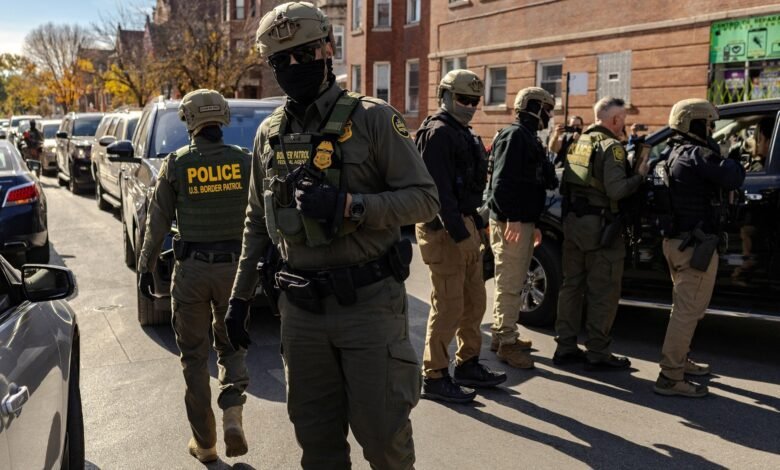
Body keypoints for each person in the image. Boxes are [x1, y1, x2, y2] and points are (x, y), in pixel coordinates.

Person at [225, 2, 440, 468]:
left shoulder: (373, 119)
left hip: (368, 306)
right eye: (281, 61)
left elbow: (425, 199)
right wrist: (239, 298)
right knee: (317, 445)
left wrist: (350, 206)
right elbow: (256, 222)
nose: (294, 67)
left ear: (328, 47)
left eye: (304, 54)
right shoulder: (268, 134)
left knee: (384, 441)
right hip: (300, 313)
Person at [137, 89, 251, 463]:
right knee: (231, 344)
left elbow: (155, 226)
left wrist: (145, 268)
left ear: (188, 121)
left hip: (192, 272)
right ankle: (233, 412)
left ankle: (205, 443)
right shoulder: (244, 162)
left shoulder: (177, 164)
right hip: (235, 270)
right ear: (223, 118)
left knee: (193, 358)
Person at [415, 69, 506, 404]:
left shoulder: (461, 131)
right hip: (444, 229)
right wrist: (458, 233)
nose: (469, 105)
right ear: (446, 96)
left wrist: (477, 227)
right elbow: (438, 193)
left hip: (466, 223)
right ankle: (435, 375)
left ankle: (467, 363)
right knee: (449, 304)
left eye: (474, 100)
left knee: (474, 302)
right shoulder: (438, 132)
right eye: (463, 99)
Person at [654, 99, 745, 397]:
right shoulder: (697, 155)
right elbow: (733, 176)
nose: (710, 129)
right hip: (695, 247)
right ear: (694, 123)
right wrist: (733, 156)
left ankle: (682, 360)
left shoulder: (671, 154)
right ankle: (670, 376)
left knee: (684, 308)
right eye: (707, 124)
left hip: (676, 243)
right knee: (687, 312)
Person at [553, 97, 649, 370]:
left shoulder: (578, 142)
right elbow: (617, 190)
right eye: (623, 120)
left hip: (573, 224)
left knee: (571, 286)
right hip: (600, 229)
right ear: (615, 120)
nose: (624, 125)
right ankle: (598, 352)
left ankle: (565, 347)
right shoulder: (612, 148)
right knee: (602, 292)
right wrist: (640, 174)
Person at [486, 87, 558, 370]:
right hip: (511, 222)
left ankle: (500, 335)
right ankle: (506, 342)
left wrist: (533, 222)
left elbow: (532, 182)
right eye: (547, 109)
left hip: (522, 221)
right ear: (534, 107)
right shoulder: (515, 136)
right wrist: (514, 218)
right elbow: (502, 184)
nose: (549, 115)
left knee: (512, 281)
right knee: (510, 283)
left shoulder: (526, 137)